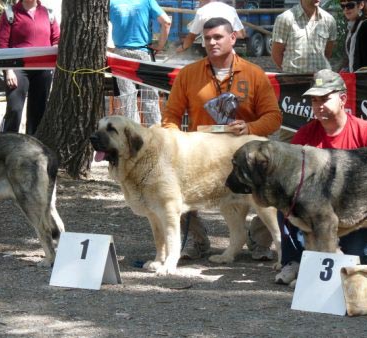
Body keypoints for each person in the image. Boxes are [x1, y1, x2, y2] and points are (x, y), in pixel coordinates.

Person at [162, 17, 283, 259]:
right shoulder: (188, 75)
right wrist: (176, 146)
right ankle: (194, 243)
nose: (212, 42)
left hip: (245, 154)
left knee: (265, 199)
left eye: (218, 37)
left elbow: (274, 117)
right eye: (207, 38)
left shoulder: (254, 73)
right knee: (171, 186)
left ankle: (264, 244)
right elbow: (171, 117)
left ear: (233, 38)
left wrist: (249, 127)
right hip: (200, 156)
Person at [273, 69, 367, 287]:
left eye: (325, 99)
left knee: (354, 264)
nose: (319, 106)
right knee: (283, 201)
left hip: (355, 215)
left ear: (342, 99)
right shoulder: (305, 134)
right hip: (315, 213)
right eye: (314, 101)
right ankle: (294, 259)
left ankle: (327, 256)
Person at [0, 0, 60, 135]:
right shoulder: (10, 13)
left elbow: (57, 40)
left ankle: (33, 147)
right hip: (17, 68)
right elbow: (2, 46)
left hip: (42, 69)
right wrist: (8, 71)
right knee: (14, 109)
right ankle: (6, 145)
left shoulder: (48, 14)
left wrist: (52, 52)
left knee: (38, 111)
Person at [109, 0, 171, 126]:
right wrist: (160, 45)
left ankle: (133, 135)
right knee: (150, 97)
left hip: (121, 55)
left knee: (127, 98)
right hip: (144, 53)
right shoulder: (147, 1)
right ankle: (155, 134)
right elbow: (166, 22)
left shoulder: (111, 2)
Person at [271, 0, 338, 73]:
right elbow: (276, 54)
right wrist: (291, 72)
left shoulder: (329, 20)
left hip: (320, 80)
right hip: (293, 78)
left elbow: (328, 52)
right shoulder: (285, 19)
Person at [176, 0, 245, 54]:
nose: (199, 3)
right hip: (229, 53)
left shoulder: (202, 12)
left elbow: (191, 38)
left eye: (199, 1)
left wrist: (182, 47)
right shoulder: (231, 9)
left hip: (212, 54)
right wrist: (225, 36)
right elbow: (241, 34)